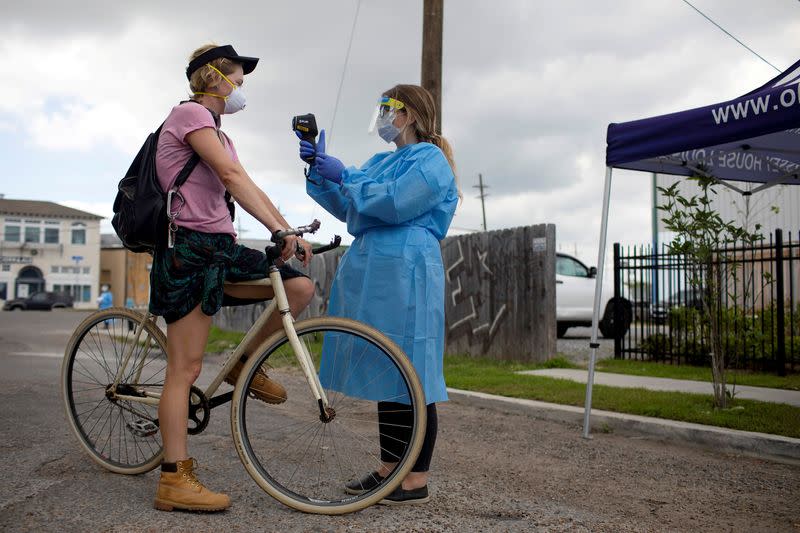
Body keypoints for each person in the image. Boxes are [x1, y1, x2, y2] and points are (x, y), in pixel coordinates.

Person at [150, 43, 315, 513]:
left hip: (219, 249)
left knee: (299, 287)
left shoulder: (221, 134)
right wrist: (277, 227)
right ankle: (173, 479)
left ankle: (244, 364)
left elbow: (242, 180)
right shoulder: (188, 115)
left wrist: (285, 228)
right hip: (186, 250)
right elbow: (230, 175)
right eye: (238, 75)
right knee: (186, 368)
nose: (242, 83)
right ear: (213, 76)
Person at [298, 84, 459, 505]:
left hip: (408, 268)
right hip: (374, 267)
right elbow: (353, 206)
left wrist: (346, 173)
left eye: (388, 108)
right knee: (387, 367)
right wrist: (319, 169)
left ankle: (415, 478)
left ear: (409, 114)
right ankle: (390, 468)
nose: (383, 116)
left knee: (413, 370)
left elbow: (392, 202)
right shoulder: (380, 161)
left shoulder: (431, 160)